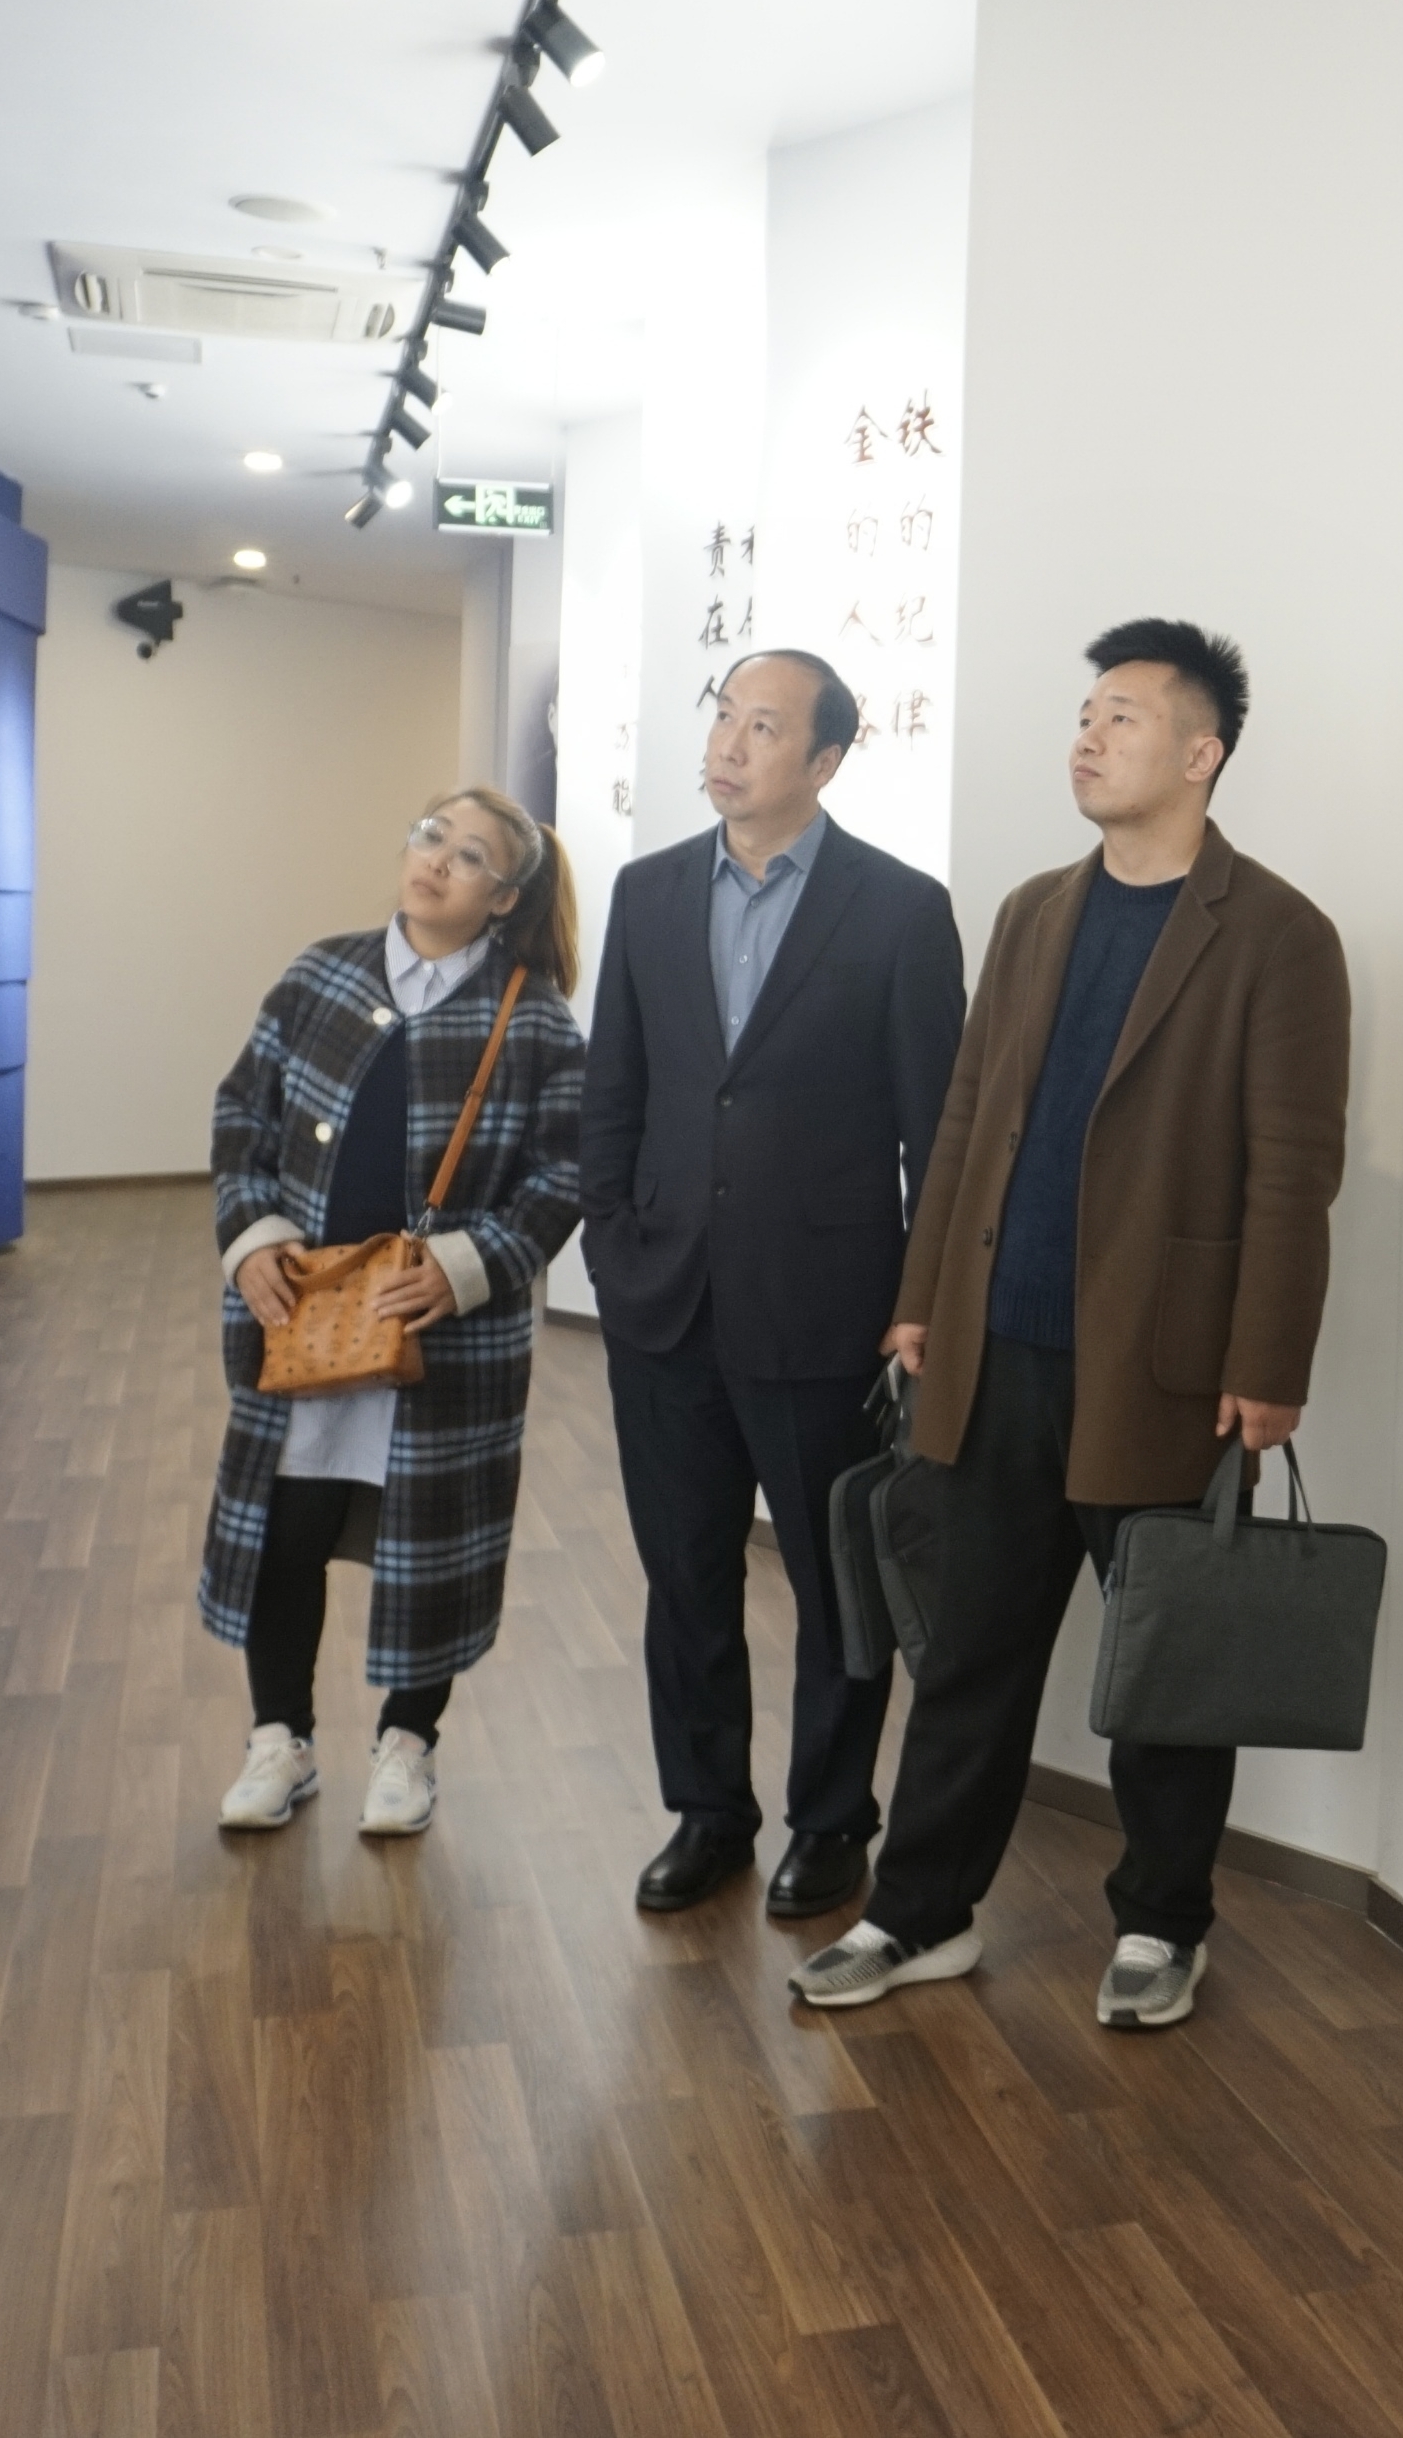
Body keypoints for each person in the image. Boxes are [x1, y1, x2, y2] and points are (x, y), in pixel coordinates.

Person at [787, 619, 1351, 2030]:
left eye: (1123, 717)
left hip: (1169, 1367)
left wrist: (1268, 1364)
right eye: (1085, 715)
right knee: (967, 1653)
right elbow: (964, 1116)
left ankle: (1163, 1921)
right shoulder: (1036, 909)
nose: (1088, 738)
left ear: (1201, 753)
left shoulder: (1277, 932)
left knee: (1166, 1661)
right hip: (997, 1349)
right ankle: (921, 1910)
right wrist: (921, 1299)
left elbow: (1294, 1170)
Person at [581, 649, 964, 1920]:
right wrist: (611, 1243)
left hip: (824, 1304)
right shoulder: (645, 892)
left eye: (763, 726)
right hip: (664, 1300)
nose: (729, 745)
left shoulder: (900, 910)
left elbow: (937, 1137)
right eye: (724, 719)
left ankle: (831, 1819)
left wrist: (915, 1301)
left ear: (826, 759)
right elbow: (614, 1091)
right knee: (684, 1574)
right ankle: (707, 1811)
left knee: (832, 1576)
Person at [203, 789, 588, 1838]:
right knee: (286, 1531)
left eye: (469, 857)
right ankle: (278, 1740)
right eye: (431, 836)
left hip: (442, 1344)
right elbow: (242, 1113)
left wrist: (467, 1267)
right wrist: (252, 1238)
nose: (436, 861)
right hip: (304, 1322)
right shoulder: (318, 975)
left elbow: (564, 1176)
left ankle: (408, 1747)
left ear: (503, 898)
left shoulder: (535, 1020)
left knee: (432, 1543)